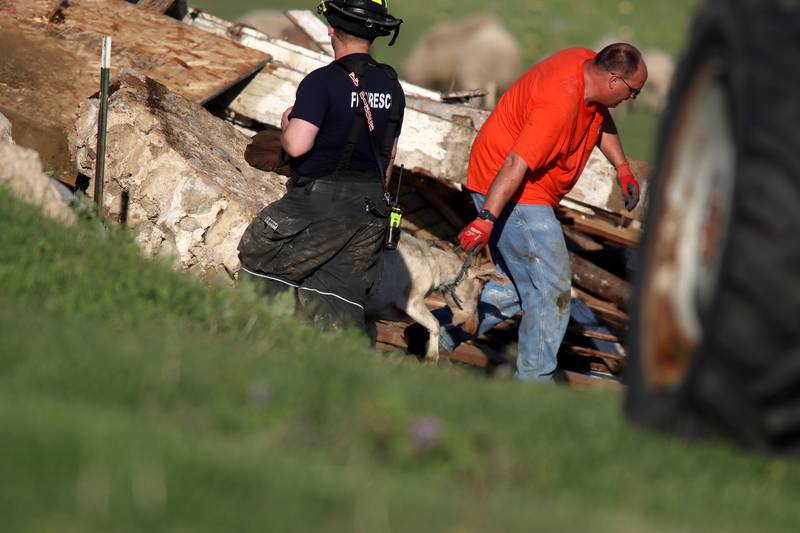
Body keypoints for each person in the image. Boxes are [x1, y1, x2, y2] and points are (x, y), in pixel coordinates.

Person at [440, 43, 647, 382]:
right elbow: (515, 163)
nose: (633, 98)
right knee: (551, 287)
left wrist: (622, 167)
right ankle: (534, 383)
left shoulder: (585, 64)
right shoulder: (559, 103)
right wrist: (486, 219)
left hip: (517, 183)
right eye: (632, 91)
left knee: (514, 287)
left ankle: (436, 335)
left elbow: (599, 119)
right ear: (613, 80)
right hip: (513, 188)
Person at [237, 0, 405, 332]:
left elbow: (298, 144)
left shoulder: (322, 81)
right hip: (370, 209)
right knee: (338, 299)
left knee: (261, 260)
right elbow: (390, 156)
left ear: (331, 28)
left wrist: (287, 125)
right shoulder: (391, 86)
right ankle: (331, 369)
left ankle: (257, 343)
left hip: (319, 200)